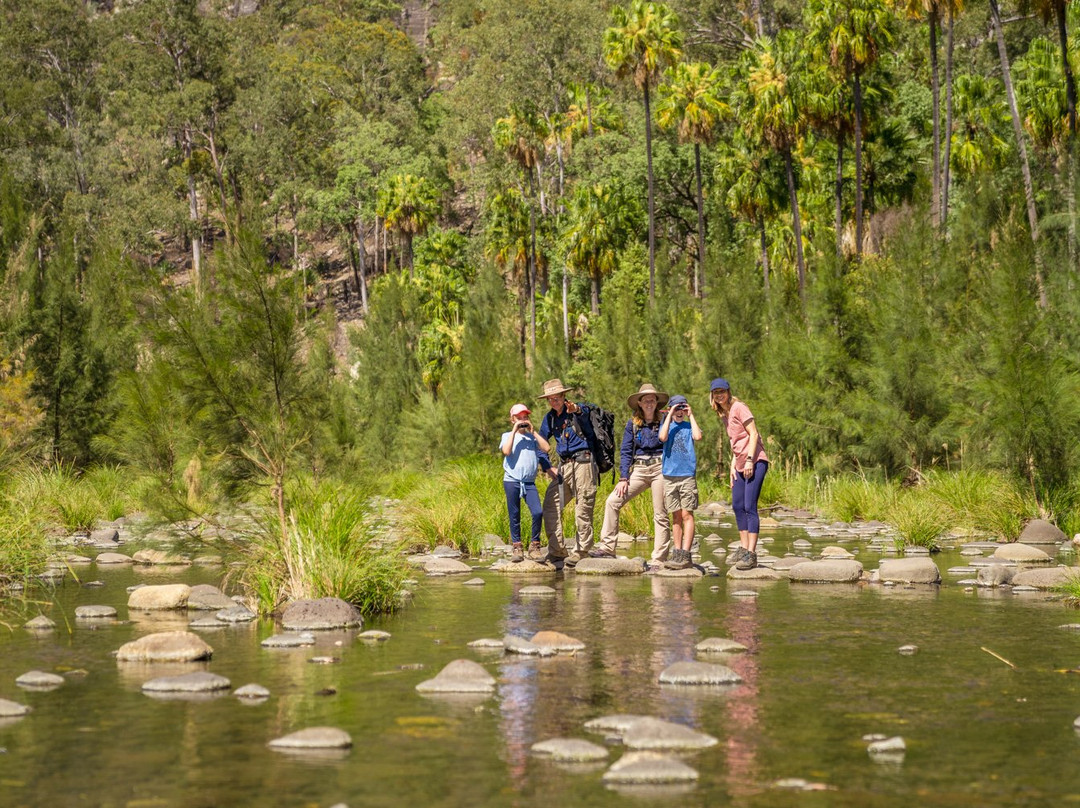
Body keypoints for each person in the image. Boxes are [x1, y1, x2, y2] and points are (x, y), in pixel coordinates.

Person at [594, 383, 671, 567]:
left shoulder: (664, 420)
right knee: (613, 501)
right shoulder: (633, 424)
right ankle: (607, 547)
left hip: (660, 468)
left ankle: (659, 559)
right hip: (639, 470)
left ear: (657, 402)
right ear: (640, 403)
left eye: (652, 399)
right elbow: (626, 451)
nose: (649, 403)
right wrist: (623, 478)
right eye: (646, 400)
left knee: (660, 513)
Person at [537, 378, 597, 567]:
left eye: (557, 397)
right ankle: (557, 551)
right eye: (551, 399)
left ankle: (582, 551)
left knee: (583, 505)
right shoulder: (549, 419)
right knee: (550, 503)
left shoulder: (577, 410)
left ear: (564, 396)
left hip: (584, 461)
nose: (554, 401)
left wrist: (577, 410)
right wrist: (547, 466)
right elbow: (539, 444)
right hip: (564, 466)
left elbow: (587, 415)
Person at [710, 378, 769, 570]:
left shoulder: (739, 407)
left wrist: (750, 459)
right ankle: (743, 548)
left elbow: (753, 433)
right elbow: (734, 440)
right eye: (715, 392)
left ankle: (751, 554)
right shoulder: (725, 414)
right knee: (737, 505)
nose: (719, 395)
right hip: (740, 464)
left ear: (728, 391)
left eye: (722, 391)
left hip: (755, 461)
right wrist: (733, 464)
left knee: (749, 506)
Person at [500, 403, 556, 563]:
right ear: (512, 419)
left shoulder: (532, 437)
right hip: (512, 481)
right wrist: (514, 430)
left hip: (529, 482)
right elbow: (506, 451)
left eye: (525, 417)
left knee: (538, 512)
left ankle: (534, 545)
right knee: (514, 514)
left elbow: (546, 448)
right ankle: (517, 546)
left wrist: (533, 431)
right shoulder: (507, 435)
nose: (523, 420)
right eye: (519, 418)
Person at [658, 394, 703, 570]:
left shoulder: (688, 426)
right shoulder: (667, 426)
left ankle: (685, 553)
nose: (679, 412)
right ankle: (677, 551)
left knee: (687, 514)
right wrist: (669, 415)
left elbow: (698, 437)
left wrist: (691, 415)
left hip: (687, 475)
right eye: (677, 408)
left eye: (682, 409)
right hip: (669, 475)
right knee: (675, 516)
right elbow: (662, 438)